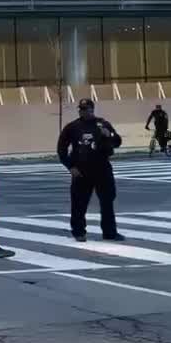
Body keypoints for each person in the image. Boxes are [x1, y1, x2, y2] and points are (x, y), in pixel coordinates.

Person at [58, 99, 124, 242]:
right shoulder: (72, 127)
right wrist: (71, 167)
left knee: (107, 201)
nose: (85, 111)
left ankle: (110, 232)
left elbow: (117, 141)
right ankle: (79, 231)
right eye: (82, 109)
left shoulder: (103, 124)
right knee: (79, 203)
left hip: (102, 168)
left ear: (93, 109)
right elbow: (61, 149)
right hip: (82, 170)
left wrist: (109, 135)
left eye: (87, 109)